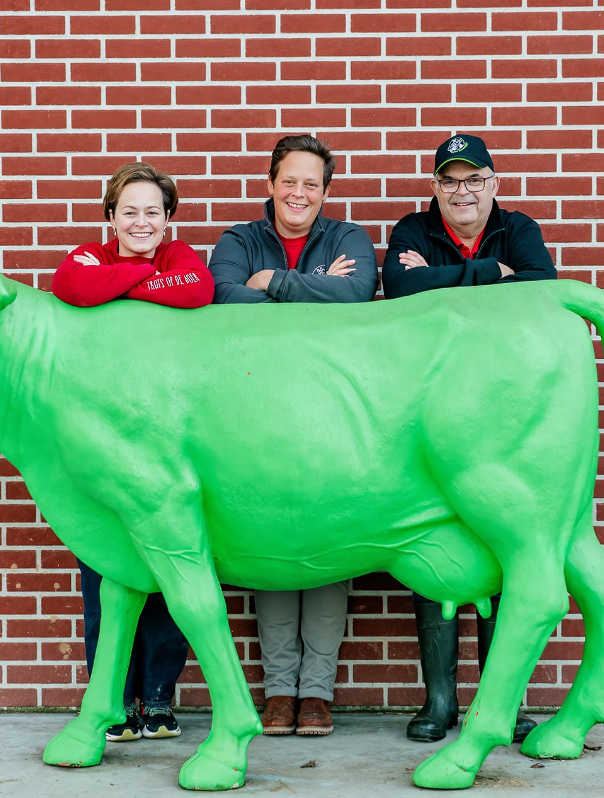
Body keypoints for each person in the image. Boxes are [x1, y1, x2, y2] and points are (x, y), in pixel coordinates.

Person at [382, 133, 557, 743]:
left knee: (501, 547)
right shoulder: (411, 228)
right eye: (450, 181)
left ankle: (497, 701)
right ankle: (439, 702)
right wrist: (488, 274)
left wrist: (442, 280)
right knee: (434, 543)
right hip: (426, 407)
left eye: (474, 179)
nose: (462, 191)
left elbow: (540, 288)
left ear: (494, 184)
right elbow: (399, 292)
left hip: (505, 410)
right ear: (435, 189)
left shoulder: (520, 228)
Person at [209, 134, 378, 736]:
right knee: (273, 546)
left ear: (325, 192)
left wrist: (273, 284)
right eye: (290, 180)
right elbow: (221, 297)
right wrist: (311, 287)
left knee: (329, 548)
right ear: (271, 184)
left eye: (312, 183)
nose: (299, 192)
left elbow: (356, 295)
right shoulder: (238, 240)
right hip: (258, 415)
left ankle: (318, 695)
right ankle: (279, 694)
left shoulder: (348, 239)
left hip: (335, 414)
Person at [52, 161, 213, 741]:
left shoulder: (179, 256)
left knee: (166, 582)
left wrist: (119, 285)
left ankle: (159, 702)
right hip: (101, 442)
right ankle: (114, 704)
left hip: (164, 441)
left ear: (168, 219)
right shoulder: (87, 255)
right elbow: (71, 286)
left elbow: (199, 289)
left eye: (152, 212)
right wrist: (142, 283)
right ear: (110, 217)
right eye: (129, 212)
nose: (140, 222)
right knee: (104, 577)